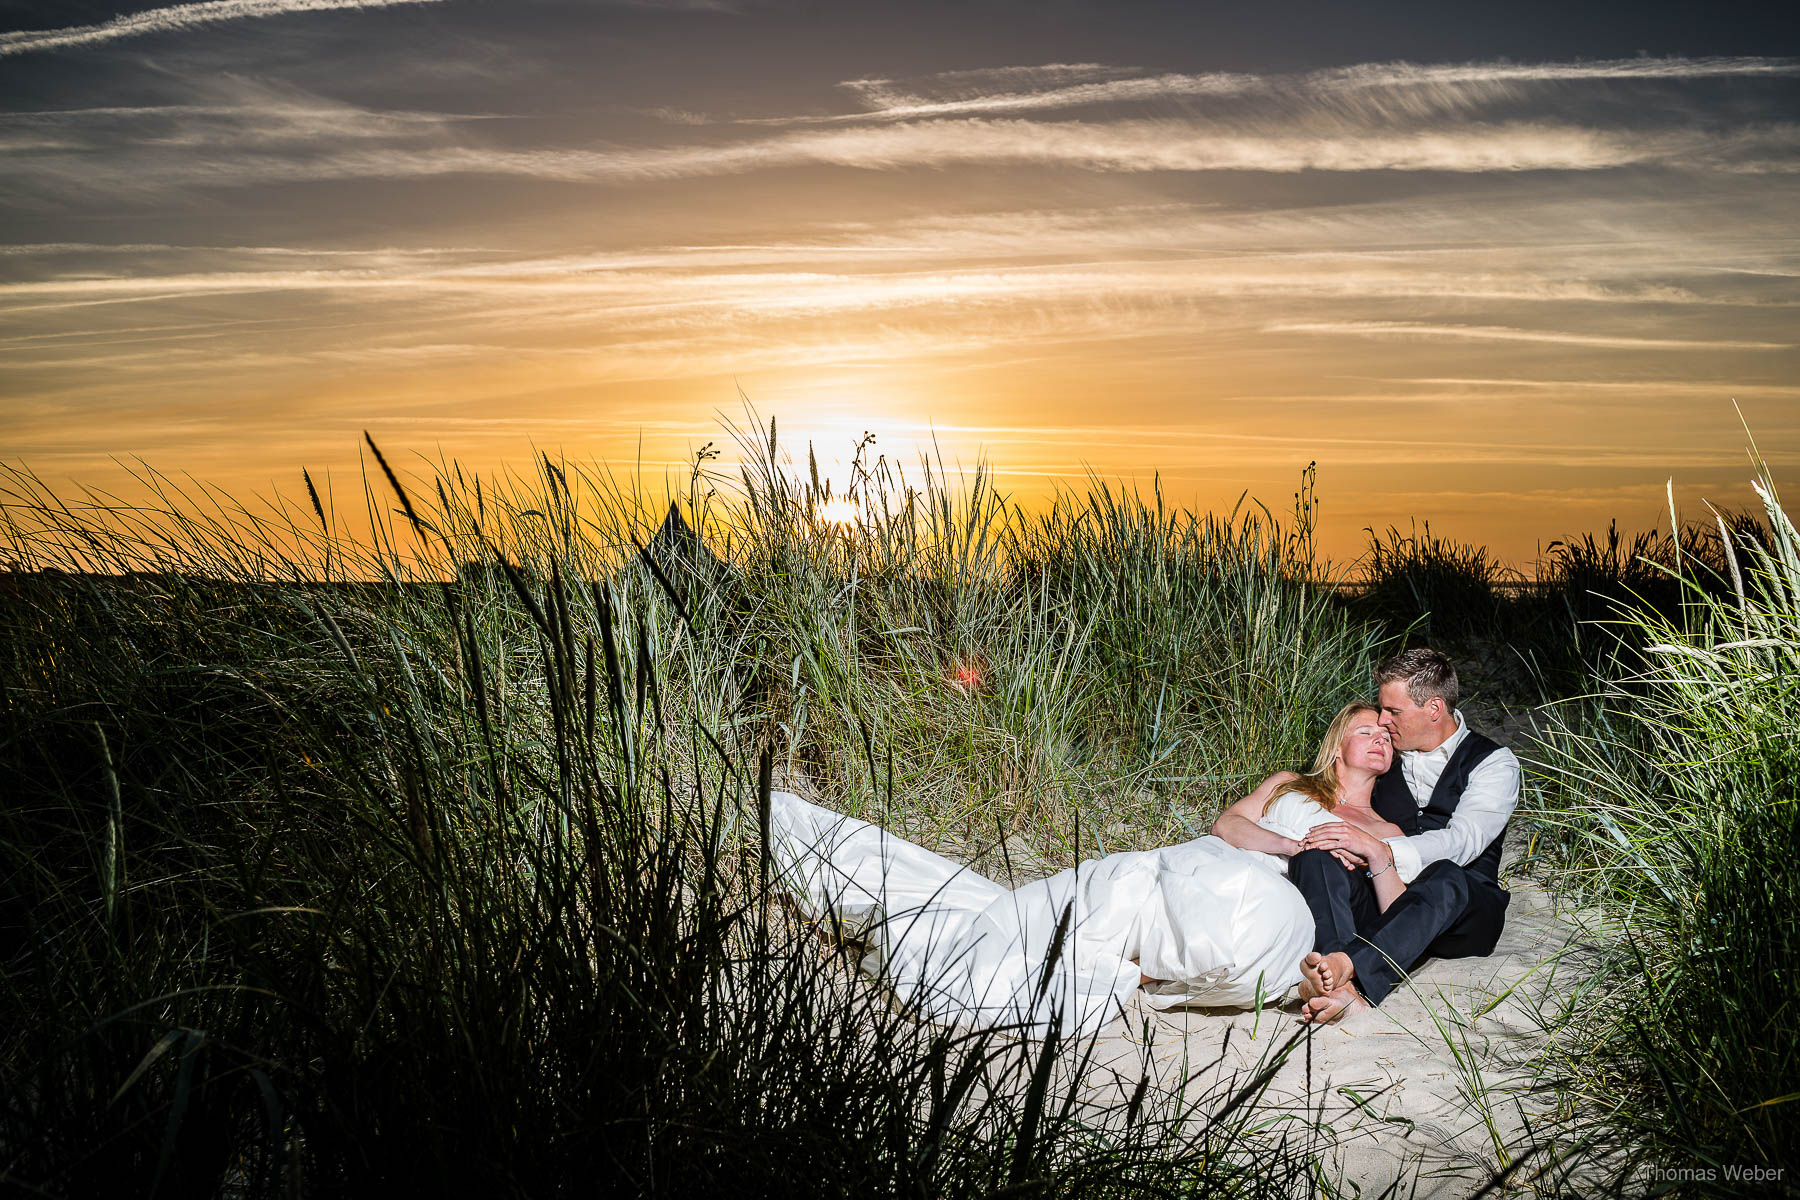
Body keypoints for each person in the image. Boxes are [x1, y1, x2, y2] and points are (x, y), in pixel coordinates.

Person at [765, 701, 1391, 1038]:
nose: (1380, 741)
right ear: (1338, 743)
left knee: (1236, 937)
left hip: (1277, 897)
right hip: (1233, 858)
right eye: (1367, 731)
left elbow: (1393, 898)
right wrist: (1294, 845)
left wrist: (1368, 853)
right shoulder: (1291, 783)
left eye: (1388, 738)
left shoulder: (1385, 831)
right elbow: (1226, 825)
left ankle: (1140, 970)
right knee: (1116, 889)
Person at [1275, 649, 1519, 1023]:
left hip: (1466, 913)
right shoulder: (1384, 755)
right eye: (1381, 709)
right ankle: (1332, 980)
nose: (1383, 721)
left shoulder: (1494, 762)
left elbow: (1465, 840)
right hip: (1387, 906)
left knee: (1445, 875)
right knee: (1316, 857)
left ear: (1434, 709)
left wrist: (1378, 849)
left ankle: (1354, 973)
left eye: (1394, 711)